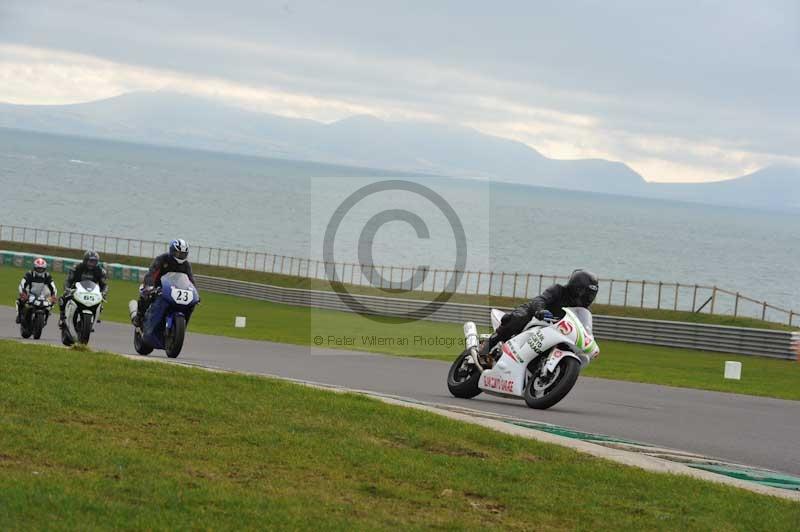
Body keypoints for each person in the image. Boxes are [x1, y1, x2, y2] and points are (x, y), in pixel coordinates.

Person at [477, 269, 599, 361]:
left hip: (553, 331)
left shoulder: (582, 310)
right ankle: (487, 345)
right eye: (586, 293)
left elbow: (583, 328)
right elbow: (540, 299)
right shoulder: (558, 290)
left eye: (591, 295)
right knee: (519, 318)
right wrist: (540, 310)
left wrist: (589, 340)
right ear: (576, 288)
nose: (588, 298)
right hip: (535, 316)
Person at [132, 239, 194, 327]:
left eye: (183, 254)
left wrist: (195, 292)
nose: (180, 256)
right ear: (172, 251)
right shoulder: (162, 259)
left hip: (175, 290)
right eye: (178, 253)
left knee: (190, 305)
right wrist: (149, 285)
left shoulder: (186, 265)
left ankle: (182, 325)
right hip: (158, 287)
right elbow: (152, 273)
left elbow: (190, 280)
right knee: (145, 295)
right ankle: (139, 317)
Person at [59, 250, 108, 328]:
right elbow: (68, 280)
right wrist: (67, 289)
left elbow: (104, 285)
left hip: (92, 292)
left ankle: (95, 317)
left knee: (100, 304)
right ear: (85, 260)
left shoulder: (100, 271)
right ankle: (62, 316)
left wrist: (104, 292)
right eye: (90, 261)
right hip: (76, 290)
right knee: (63, 298)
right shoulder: (76, 268)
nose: (92, 264)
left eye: (94, 262)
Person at [16, 257, 58, 324]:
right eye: (38, 268)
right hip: (30, 293)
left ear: (44, 269)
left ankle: (46, 315)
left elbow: (53, 287)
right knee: (20, 300)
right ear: (35, 268)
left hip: (42, 295)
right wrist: (23, 293)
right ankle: (19, 315)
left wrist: (53, 295)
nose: (40, 270)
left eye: (41, 269)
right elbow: (22, 284)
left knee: (51, 303)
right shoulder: (29, 274)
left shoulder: (47, 276)